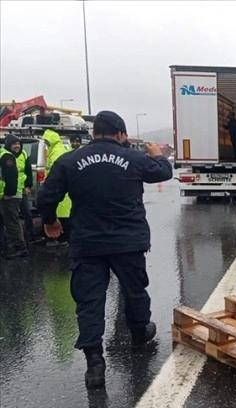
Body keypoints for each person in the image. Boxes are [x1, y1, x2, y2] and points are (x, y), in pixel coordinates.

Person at [36, 111, 173, 388]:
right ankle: (139, 334)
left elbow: (46, 196)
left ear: (93, 133)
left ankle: (94, 363)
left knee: (89, 301)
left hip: (88, 243)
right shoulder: (134, 159)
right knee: (134, 290)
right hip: (128, 241)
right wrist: (157, 153)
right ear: (121, 134)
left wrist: (50, 221)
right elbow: (164, 172)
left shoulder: (69, 161)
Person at [42, 129, 73, 247]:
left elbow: (56, 172)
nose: (46, 143)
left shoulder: (57, 151)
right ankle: (61, 238)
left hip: (58, 189)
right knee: (61, 213)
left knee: (62, 215)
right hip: (57, 188)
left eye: (47, 141)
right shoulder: (54, 150)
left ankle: (62, 239)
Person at [0, 136, 29, 258]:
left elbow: (11, 178)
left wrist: (8, 193)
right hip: (5, 195)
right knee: (5, 221)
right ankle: (8, 246)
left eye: (18, 143)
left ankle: (20, 248)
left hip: (10, 196)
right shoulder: (5, 155)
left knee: (12, 222)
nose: (17, 146)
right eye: (14, 144)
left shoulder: (7, 157)